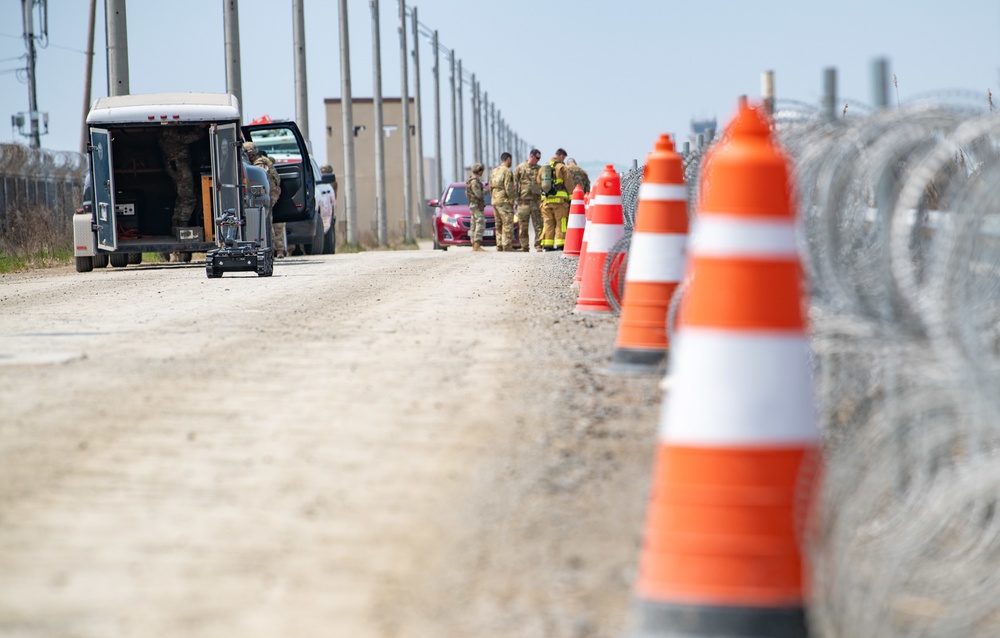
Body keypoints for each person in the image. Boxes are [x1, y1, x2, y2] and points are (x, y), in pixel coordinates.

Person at [243, 141, 285, 257]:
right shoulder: (260, 161)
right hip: (270, 191)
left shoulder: (259, 164)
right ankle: (276, 249)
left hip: (269, 193)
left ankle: (271, 249)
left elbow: (259, 182)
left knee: (266, 219)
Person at [537, 148, 575, 251]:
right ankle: (560, 245)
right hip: (560, 203)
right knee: (561, 222)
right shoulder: (562, 168)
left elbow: (539, 182)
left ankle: (547, 245)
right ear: (561, 156)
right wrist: (572, 199)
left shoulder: (543, 168)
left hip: (546, 201)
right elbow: (569, 185)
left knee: (548, 222)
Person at [513, 148, 543, 252]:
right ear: (531, 156)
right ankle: (524, 246)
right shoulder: (520, 168)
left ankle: (539, 245)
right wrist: (516, 198)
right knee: (523, 226)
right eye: (537, 158)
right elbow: (514, 184)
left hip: (536, 201)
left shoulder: (540, 169)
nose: (538, 160)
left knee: (539, 225)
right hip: (523, 202)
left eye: (539, 158)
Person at [489, 152, 517, 252]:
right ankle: (507, 246)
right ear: (508, 159)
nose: (511, 162)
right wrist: (512, 199)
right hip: (504, 201)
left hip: (495, 200)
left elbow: (490, 187)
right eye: (511, 160)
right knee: (507, 223)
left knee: (498, 224)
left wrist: (493, 197)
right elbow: (508, 188)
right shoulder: (507, 171)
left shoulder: (494, 171)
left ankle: (499, 245)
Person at [467, 163, 487, 252]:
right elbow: (479, 195)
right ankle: (476, 244)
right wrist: (487, 190)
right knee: (480, 223)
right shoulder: (474, 182)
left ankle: (474, 244)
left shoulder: (473, 180)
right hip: (476, 205)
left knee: (474, 224)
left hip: (474, 205)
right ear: (479, 171)